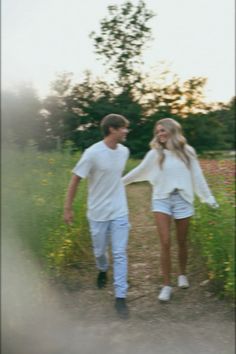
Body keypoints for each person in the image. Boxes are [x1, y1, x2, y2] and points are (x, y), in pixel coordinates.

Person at [122, 118, 218, 302]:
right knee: (165, 242)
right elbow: (139, 171)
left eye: (163, 130)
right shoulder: (155, 154)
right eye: (157, 131)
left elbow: (198, 177)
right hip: (161, 200)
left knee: (182, 241)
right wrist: (119, 182)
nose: (160, 134)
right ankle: (166, 285)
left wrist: (209, 199)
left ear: (172, 131)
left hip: (183, 200)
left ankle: (182, 274)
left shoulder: (187, 152)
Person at [64, 113, 130, 318]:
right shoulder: (92, 153)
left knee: (119, 253)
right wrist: (68, 208)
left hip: (119, 211)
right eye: (124, 128)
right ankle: (102, 269)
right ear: (112, 129)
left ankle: (120, 297)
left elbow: (116, 178)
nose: (126, 131)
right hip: (98, 212)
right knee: (100, 251)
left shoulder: (125, 151)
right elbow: (75, 180)